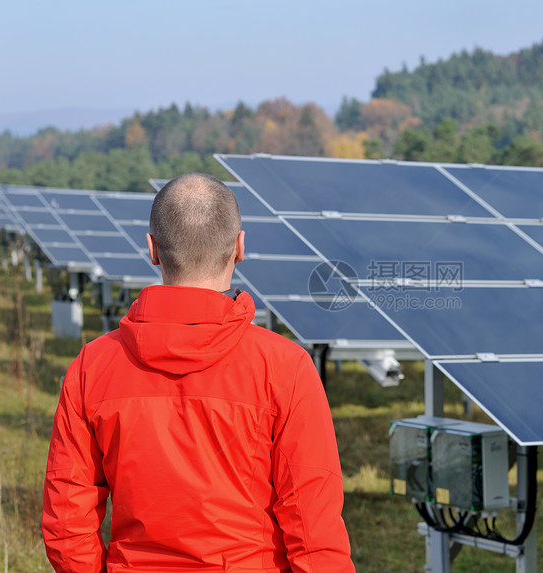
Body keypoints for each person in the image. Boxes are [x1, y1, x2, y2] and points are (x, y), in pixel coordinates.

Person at [42, 173, 355, 572]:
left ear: (152, 249)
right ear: (240, 247)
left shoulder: (92, 366)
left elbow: (67, 522)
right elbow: (315, 533)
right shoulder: (285, 368)